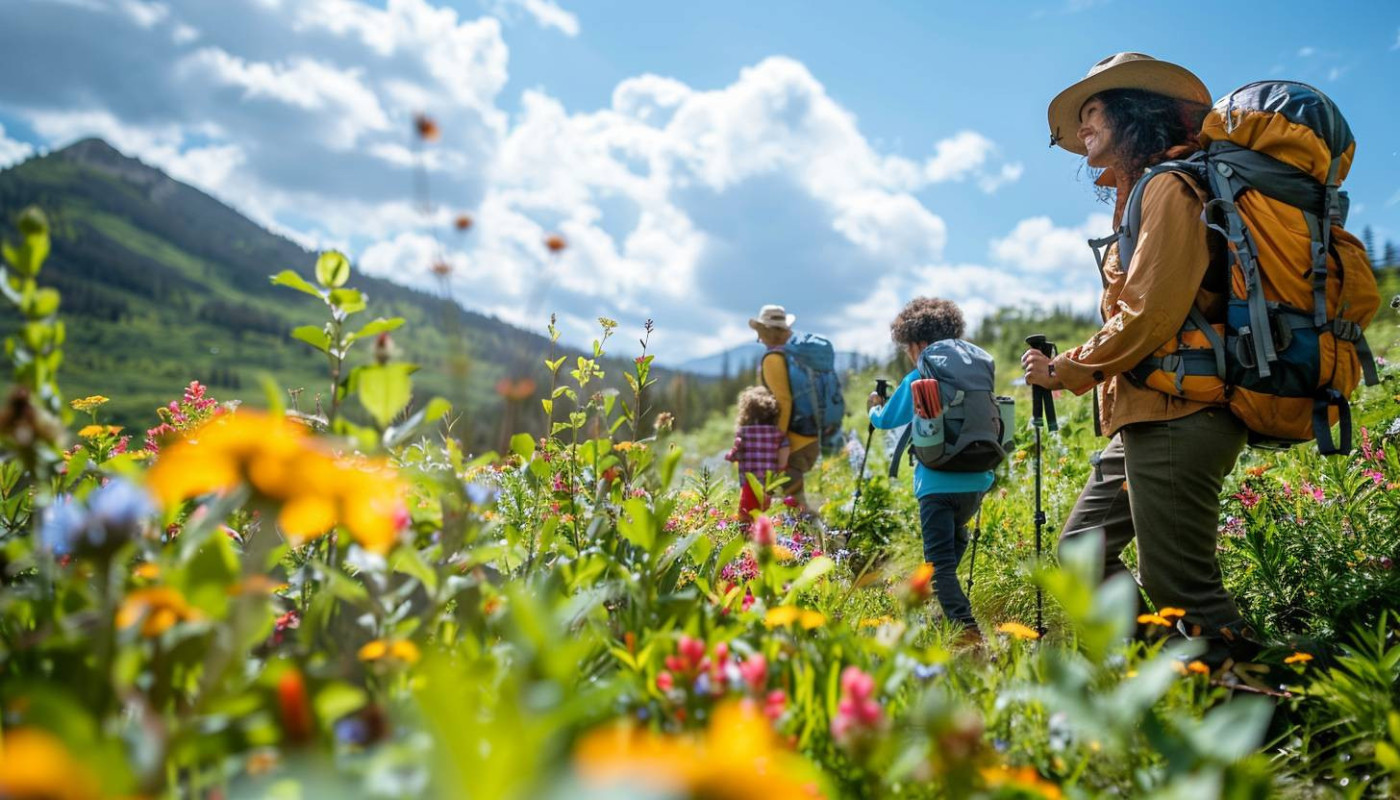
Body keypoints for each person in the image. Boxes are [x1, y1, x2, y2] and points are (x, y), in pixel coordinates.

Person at [1023, 52, 1260, 667]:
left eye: (1093, 110)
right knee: (1081, 553)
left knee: (1183, 589)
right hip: (1150, 412)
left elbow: (1151, 312)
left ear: (1133, 114)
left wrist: (1064, 370)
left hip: (1182, 410)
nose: (1082, 126)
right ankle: (1167, 677)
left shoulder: (1169, 187)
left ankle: (1259, 705)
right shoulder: (1145, 192)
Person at [868, 298, 994, 646]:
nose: (909, 354)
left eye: (908, 346)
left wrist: (873, 409)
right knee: (954, 542)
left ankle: (969, 634)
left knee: (937, 566)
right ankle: (945, 615)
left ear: (920, 343)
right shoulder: (973, 371)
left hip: (937, 484)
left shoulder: (919, 375)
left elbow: (887, 420)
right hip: (977, 480)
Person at [749, 304, 820, 515]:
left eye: (760, 331)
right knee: (789, 503)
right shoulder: (794, 356)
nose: (759, 337)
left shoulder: (773, 359)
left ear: (766, 331)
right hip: (808, 435)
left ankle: (823, 537)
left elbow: (783, 401)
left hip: (792, 443)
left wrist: (776, 440)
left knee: (795, 506)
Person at [724, 386, 790, 522]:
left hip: (749, 484)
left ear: (746, 413)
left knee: (746, 518)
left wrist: (729, 456)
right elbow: (784, 457)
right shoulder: (777, 434)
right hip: (769, 484)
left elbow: (735, 454)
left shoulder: (743, 433)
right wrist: (779, 470)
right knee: (769, 517)